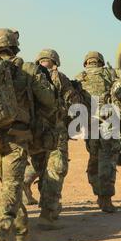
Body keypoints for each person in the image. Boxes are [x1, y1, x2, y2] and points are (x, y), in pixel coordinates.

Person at [0, 29, 57, 241]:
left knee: (8, 187)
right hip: (16, 138)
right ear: (15, 47)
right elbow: (49, 101)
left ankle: (23, 232)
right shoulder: (28, 70)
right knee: (12, 190)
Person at [24, 49, 81, 230]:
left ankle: (28, 189)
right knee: (56, 169)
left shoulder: (26, 75)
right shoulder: (59, 77)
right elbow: (74, 104)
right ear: (55, 61)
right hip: (55, 131)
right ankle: (48, 214)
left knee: (41, 168)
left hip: (33, 132)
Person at [75, 51, 120, 213]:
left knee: (94, 157)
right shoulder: (110, 74)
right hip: (108, 123)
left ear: (86, 63)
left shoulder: (79, 77)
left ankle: (98, 192)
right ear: (100, 62)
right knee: (107, 159)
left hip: (89, 125)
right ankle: (105, 199)